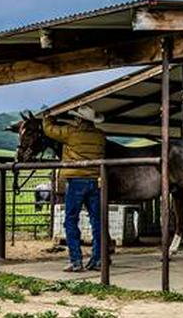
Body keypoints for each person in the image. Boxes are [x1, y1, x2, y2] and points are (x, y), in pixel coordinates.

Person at [43, 106, 106, 272]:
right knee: (97, 221)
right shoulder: (100, 135)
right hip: (95, 181)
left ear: (79, 119)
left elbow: (49, 130)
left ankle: (76, 260)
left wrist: (47, 117)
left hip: (76, 181)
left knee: (71, 220)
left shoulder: (71, 133)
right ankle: (98, 259)